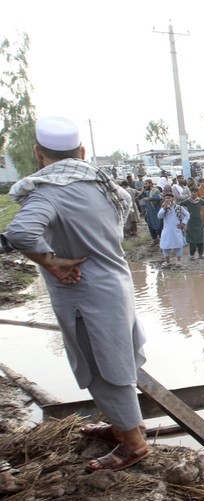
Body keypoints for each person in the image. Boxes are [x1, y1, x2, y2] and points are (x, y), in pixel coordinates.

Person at [1, 115, 149, 471]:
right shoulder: (101, 184)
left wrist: (49, 261)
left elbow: (20, 233)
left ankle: (133, 443)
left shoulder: (50, 192)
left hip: (86, 293)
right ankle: (120, 426)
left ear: (38, 155)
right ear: (82, 151)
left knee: (104, 368)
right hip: (116, 283)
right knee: (116, 360)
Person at [158, 192, 189, 268]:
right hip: (167, 230)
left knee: (178, 245)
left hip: (176, 229)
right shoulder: (164, 208)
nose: (168, 199)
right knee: (165, 246)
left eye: (169, 198)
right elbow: (159, 216)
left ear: (173, 199)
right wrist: (164, 208)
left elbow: (187, 215)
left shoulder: (178, 207)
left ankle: (178, 261)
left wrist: (183, 223)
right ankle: (167, 261)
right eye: (166, 198)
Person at [180, 187, 204, 260]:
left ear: (197, 193)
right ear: (190, 193)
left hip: (199, 222)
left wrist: (202, 211)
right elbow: (179, 205)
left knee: (200, 238)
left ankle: (200, 254)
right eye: (192, 192)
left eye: (195, 192)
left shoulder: (200, 201)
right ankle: (192, 255)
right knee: (192, 239)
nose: (193, 193)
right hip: (190, 222)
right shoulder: (187, 201)